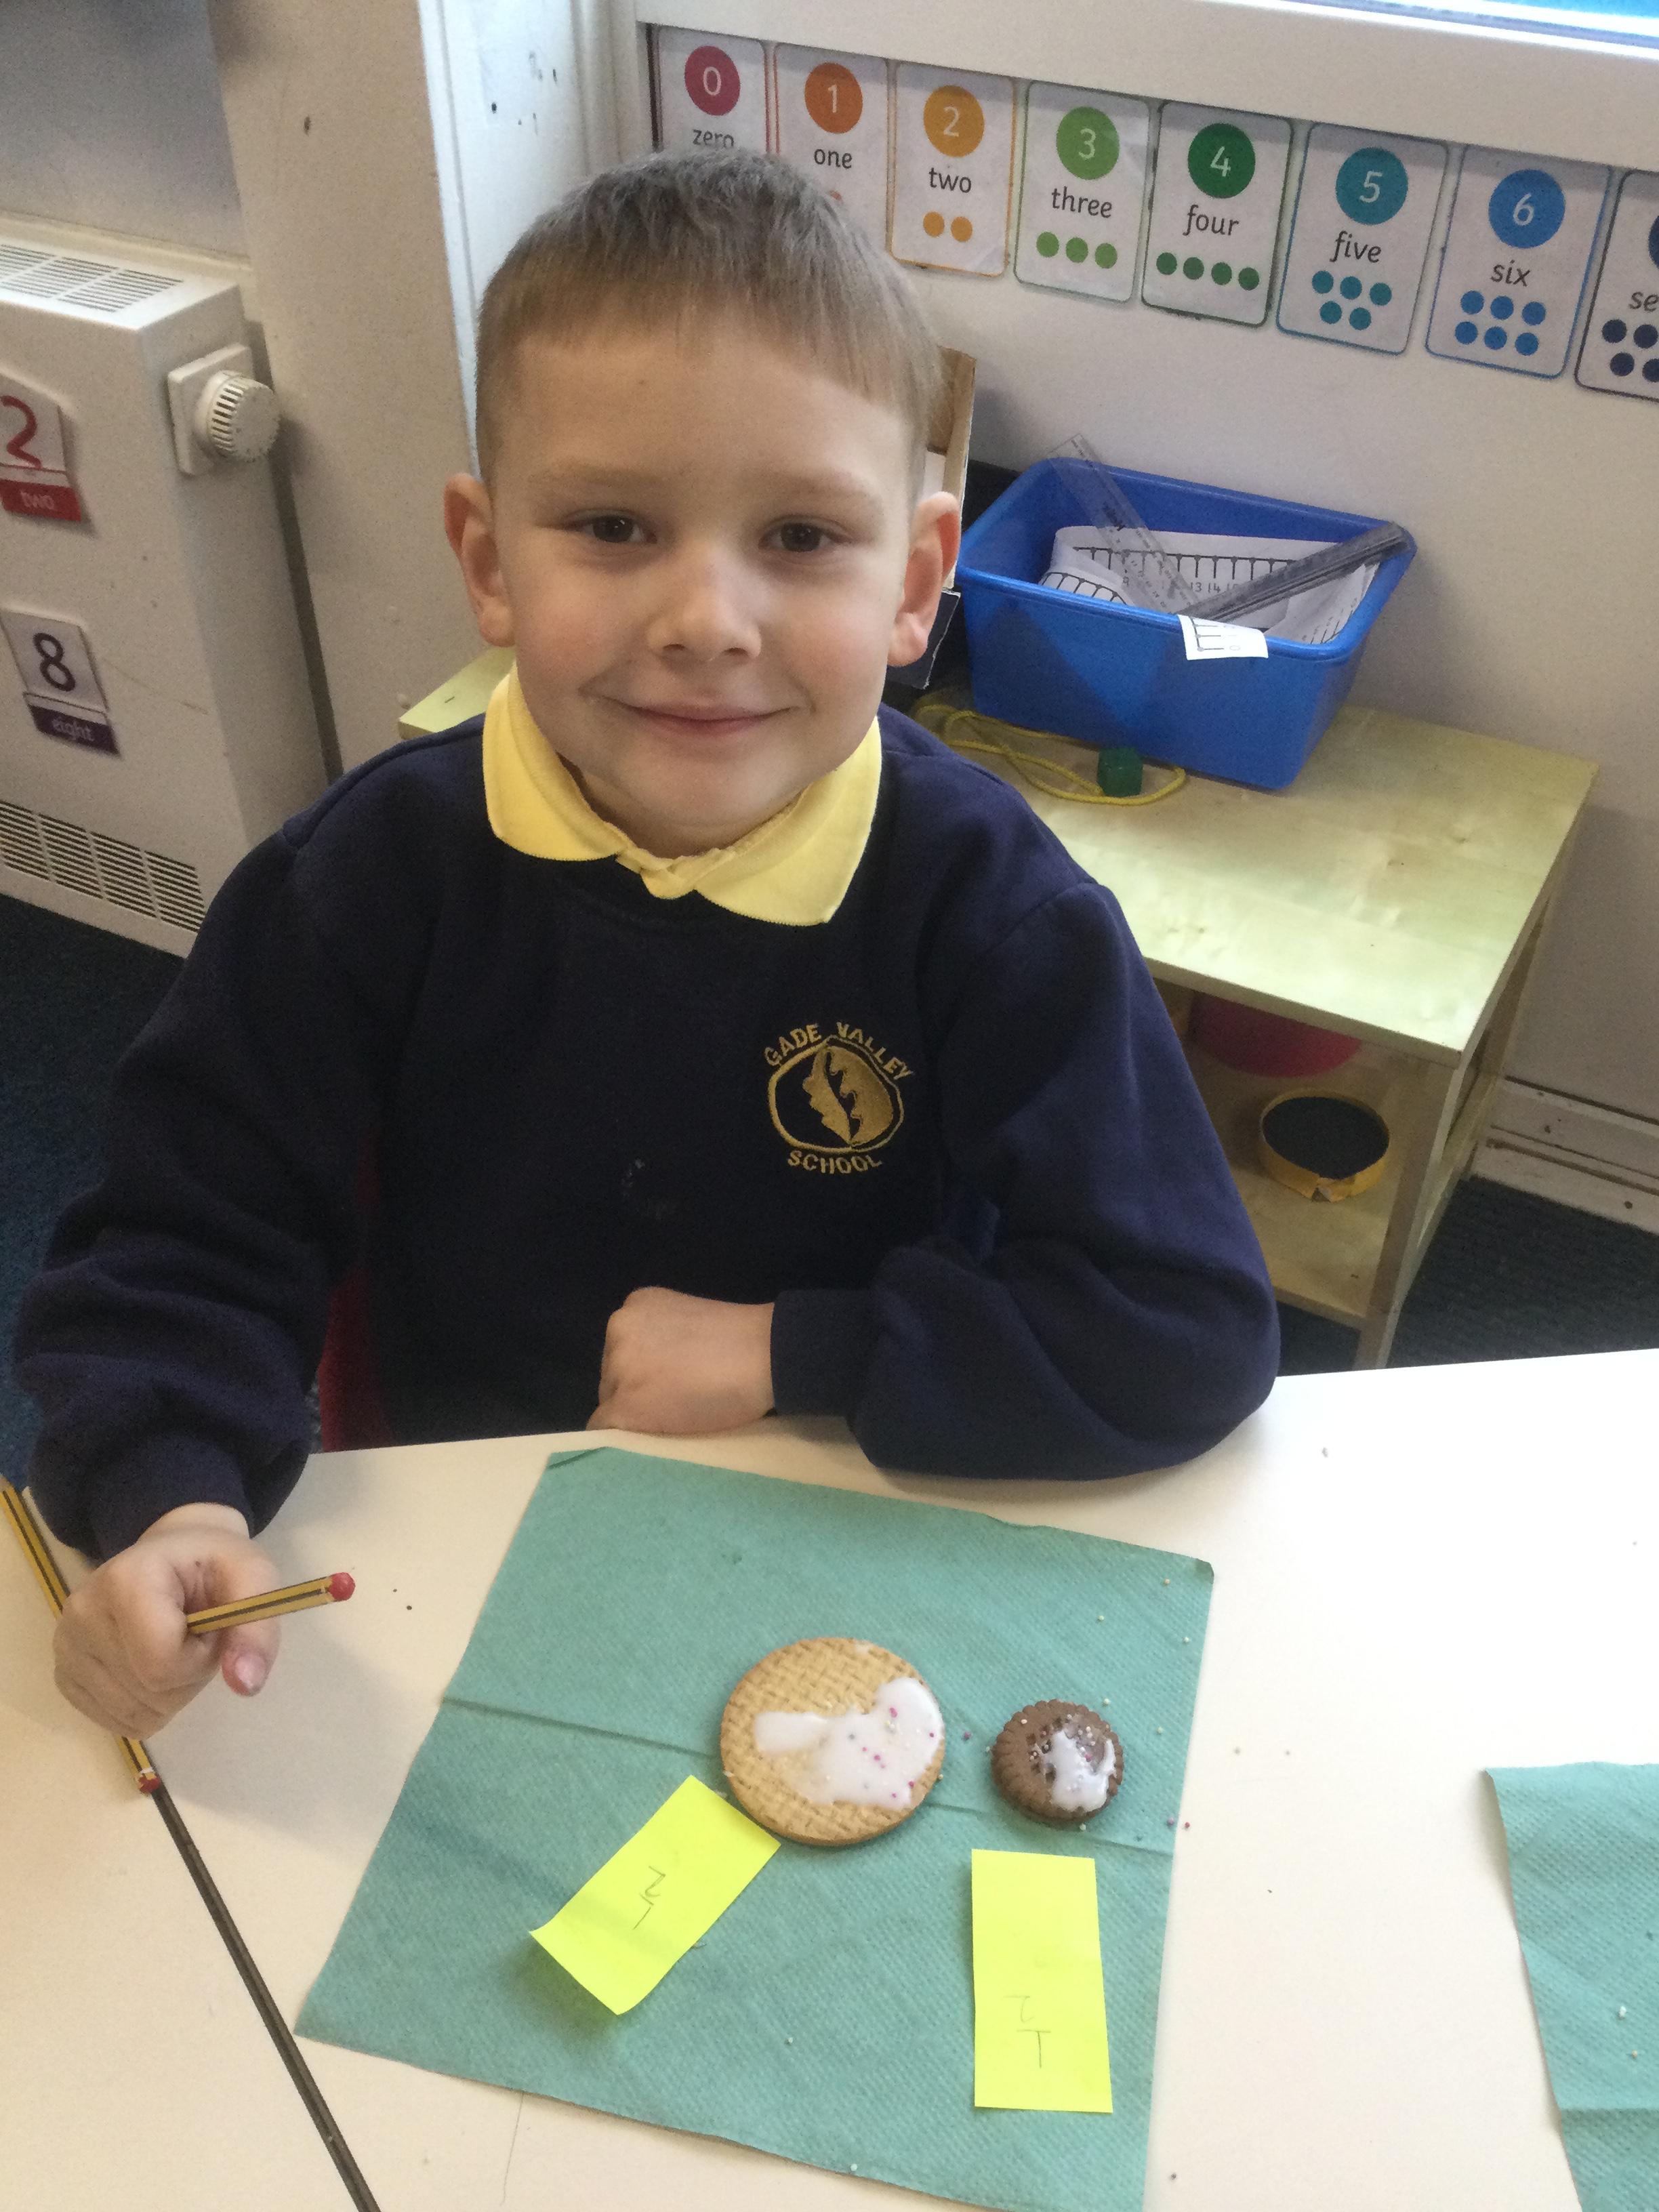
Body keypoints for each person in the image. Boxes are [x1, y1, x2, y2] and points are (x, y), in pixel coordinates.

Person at [15, 150, 1277, 1742]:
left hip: (848, 1523)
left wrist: (802, 1351)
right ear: (489, 562)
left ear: (917, 583)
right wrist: (172, 1496)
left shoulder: (993, 909)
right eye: (615, 527)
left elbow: (1182, 1328)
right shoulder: (359, 881)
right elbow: (179, 1246)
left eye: (801, 536)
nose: (705, 622)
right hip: (456, 1527)